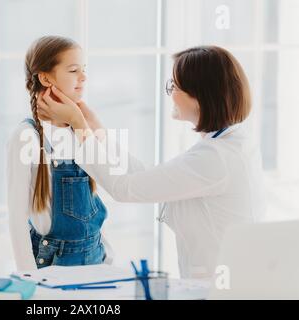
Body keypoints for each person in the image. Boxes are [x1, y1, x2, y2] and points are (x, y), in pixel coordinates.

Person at [37, 46, 266, 279]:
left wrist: (79, 125)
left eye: (174, 86)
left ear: (200, 95)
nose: (170, 93)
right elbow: (146, 177)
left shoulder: (217, 158)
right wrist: (97, 131)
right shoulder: (227, 145)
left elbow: (124, 188)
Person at [7, 36, 113, 271]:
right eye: (74, 70)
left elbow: (107, 183)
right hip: (53, 269)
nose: (83, 77)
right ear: (45, 78)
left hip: (96, 262)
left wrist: (108, 255)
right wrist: (29, 279)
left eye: (84, 70)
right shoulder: (27, 136)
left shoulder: (81, 129)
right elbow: (16, 218)